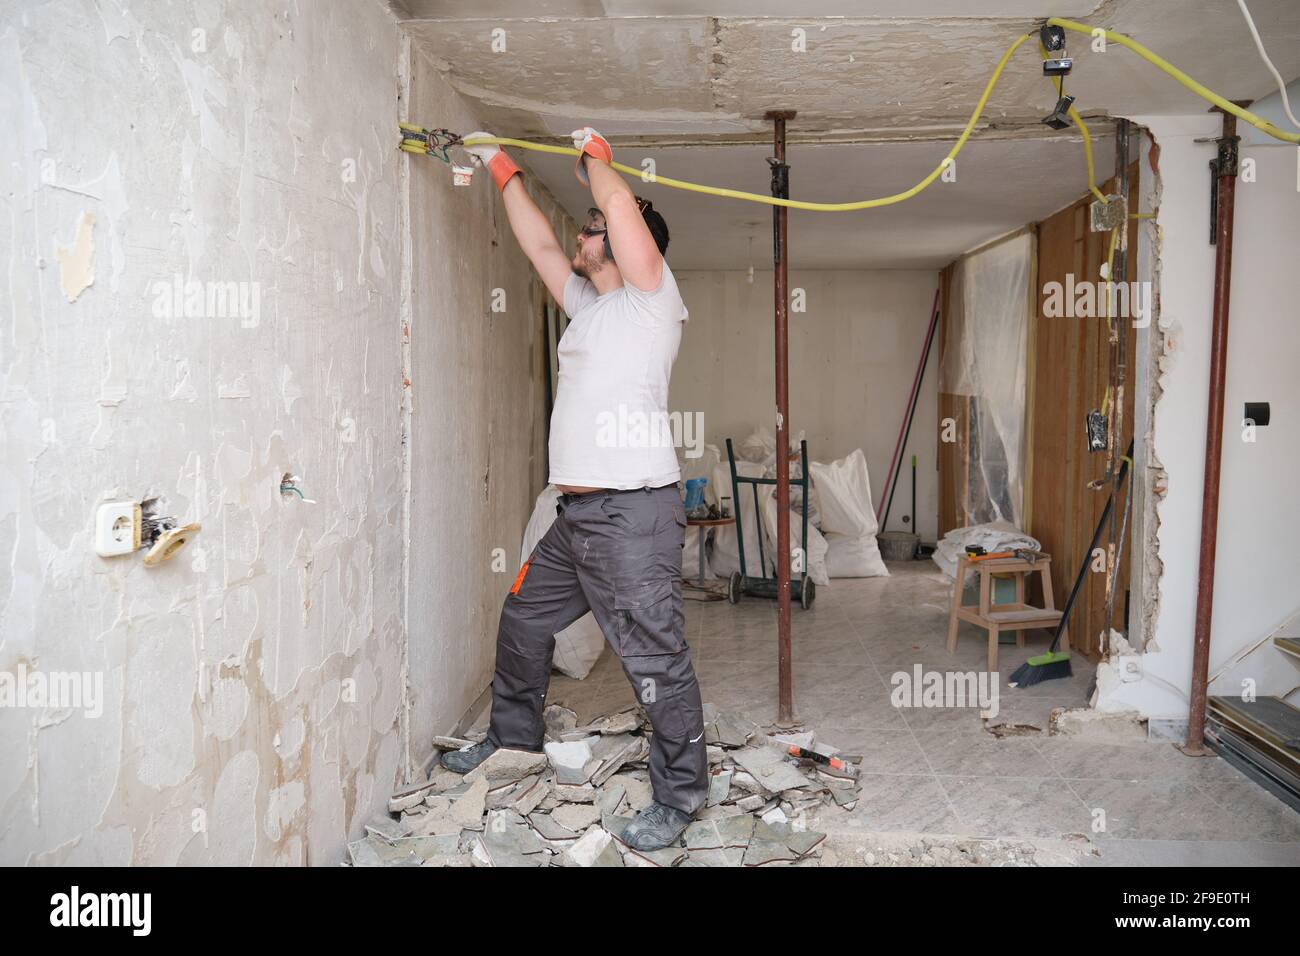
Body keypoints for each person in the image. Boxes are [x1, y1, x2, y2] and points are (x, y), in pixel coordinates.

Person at [440, 126, 707, 851]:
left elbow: (617, 208)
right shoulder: (588, 308)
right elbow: (539, 247)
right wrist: (501, 167)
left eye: (593, 230)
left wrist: (595, 156)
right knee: (524, 620)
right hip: (578, 516)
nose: (581, 237)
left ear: (624, 245)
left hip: (633, 514)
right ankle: (511, 740)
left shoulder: (654, 299)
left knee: (654, 660)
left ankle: (681, 796)